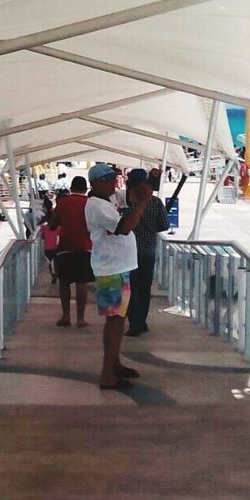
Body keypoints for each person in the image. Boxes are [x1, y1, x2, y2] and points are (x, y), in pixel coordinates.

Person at [84, 163, 150, 390]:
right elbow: (124, 227)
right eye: (111, 179)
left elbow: (127, 196)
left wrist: (141, 187)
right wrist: (141, 203)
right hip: (111, 269)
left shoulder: (107, 200)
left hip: (117, 267)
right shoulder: (97, 206)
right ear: (98, 182)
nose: (115, 182)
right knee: (114, 321)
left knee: (118, 319)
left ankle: (115, 364)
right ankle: (107, 374)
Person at [123, 168, 170, 337]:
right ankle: (141, 321)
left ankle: (133, 321)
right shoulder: (155, 202)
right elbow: (164, 225)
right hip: (148, 251)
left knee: (131, 288)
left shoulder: (125, 202)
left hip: (128, 252)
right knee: (144, 289)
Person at [47, 176, 93, 328]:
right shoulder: (89, 203)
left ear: (71, 188)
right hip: (85, 246)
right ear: (86, 189)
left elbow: (52, 225)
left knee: (64, 282)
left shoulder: (62, 202)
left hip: (65, 247)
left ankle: (65, 316)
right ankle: (80, 318)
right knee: (82, 282)